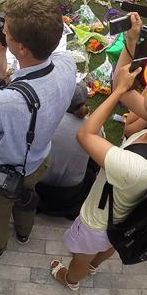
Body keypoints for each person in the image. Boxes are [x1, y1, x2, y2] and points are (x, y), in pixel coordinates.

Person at [49, 55, 147, 290]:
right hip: (125, 217)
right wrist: (130, 43)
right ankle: (94, 265)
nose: (145, 87)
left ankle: (71, 279)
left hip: (98, 221)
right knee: (110, 245)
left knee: (79, 257)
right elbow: (123, 89)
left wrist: (116, 93)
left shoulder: (135, 166)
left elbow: (85, 135)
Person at [0, 0, 77, 258]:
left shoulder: (7, 101)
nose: (1, 31)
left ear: (23, 48)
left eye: (6, 32)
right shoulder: (68, 63)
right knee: (27, 197)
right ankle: (24, 233)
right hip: (41, 159)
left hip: (8, 169)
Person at [36, 83, 93, 219]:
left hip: (41, 183)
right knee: (92, 169)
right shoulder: (94, 128)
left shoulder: (45, 118)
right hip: (71, 190)